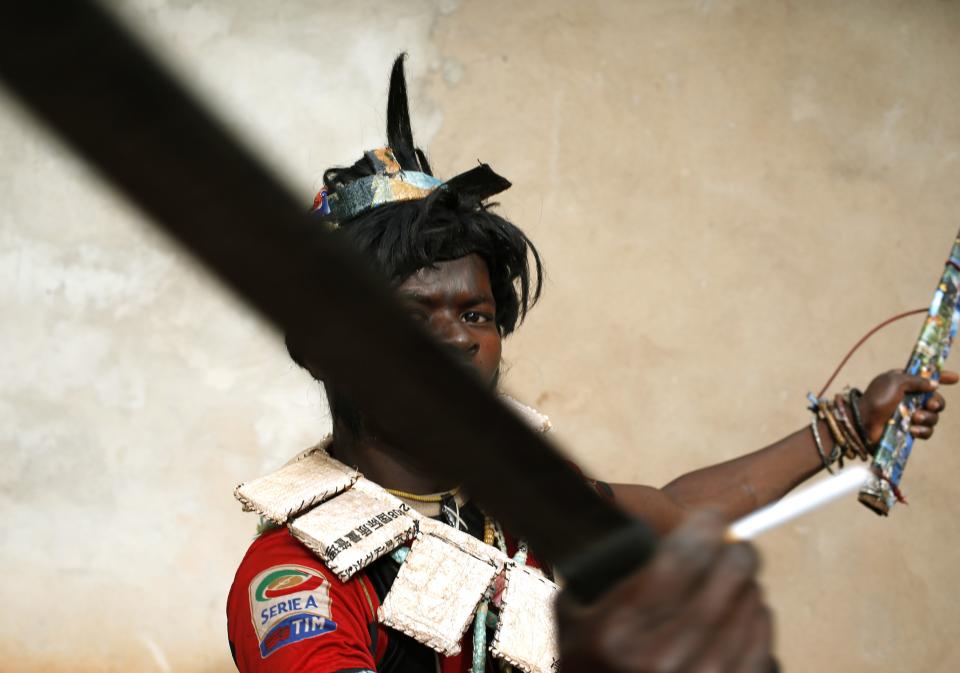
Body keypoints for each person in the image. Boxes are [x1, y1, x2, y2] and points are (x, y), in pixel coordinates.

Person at [226, 56, 954, 673]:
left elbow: (679, 511)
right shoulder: (300, 577)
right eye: (413, 318)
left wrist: (852, 422)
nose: (456, 341)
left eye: (476, 315)